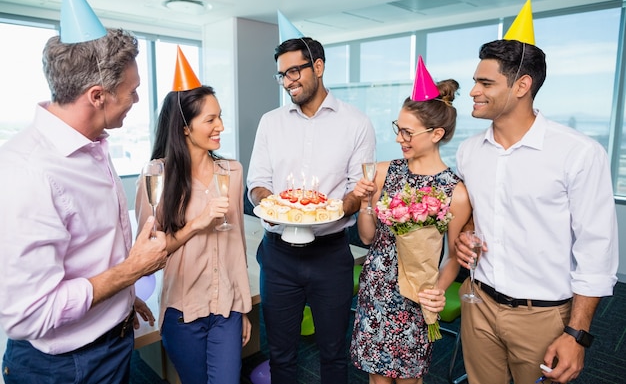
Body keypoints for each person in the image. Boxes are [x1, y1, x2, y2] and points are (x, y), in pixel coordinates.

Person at [0, 28, 168, 384]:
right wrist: (132, 271)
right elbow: (26, 314)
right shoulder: (27, 173)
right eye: (132, 91)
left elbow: (90, 248)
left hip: (109, 341)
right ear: (97, 96)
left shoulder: (91, 143)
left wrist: (119, 300)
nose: (136, 99)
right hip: (65, 367)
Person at [455, 38, 619, 384]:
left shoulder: (578, 153)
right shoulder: (469, 152)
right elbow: (476, 211)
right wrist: (468, 230)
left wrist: (577, 335)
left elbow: (596, 251)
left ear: (522, 86)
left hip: (543, 316)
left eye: (485, 83)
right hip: (478, 303)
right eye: (475, 81)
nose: (472, 91)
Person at [247, 36, 376, 384]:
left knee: (334, 353)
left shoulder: (356, 123)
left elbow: (356, 189)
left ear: (318, 67)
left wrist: (330, 210)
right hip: (278, 257)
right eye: (282, 75)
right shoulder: (270, 122)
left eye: (294, 71)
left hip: (331, 254)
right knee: (281, 353)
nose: (288, 81)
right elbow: (256, 183)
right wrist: (273, 204)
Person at [350, 78, 472, 384]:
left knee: (410, 379)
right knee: (377, 379)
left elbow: (453, 257)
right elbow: (367, 238)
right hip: (377, 289)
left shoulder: (455, 191)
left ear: (437, 134)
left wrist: (438, 290)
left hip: (418, 295)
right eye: (398, 128)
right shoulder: (381, 172)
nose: (399, 138)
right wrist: (366, 200)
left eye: (408, 132)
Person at [135, 85, 252, 384]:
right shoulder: (156, 176)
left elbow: (235, 244)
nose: (221, 127)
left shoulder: (232, 172)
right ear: (184, 127)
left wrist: (242, 307)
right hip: (183, 312)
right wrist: (196, 224)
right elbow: (148, 256)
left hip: (227, 308)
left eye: (220, 117)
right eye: (211, 119)